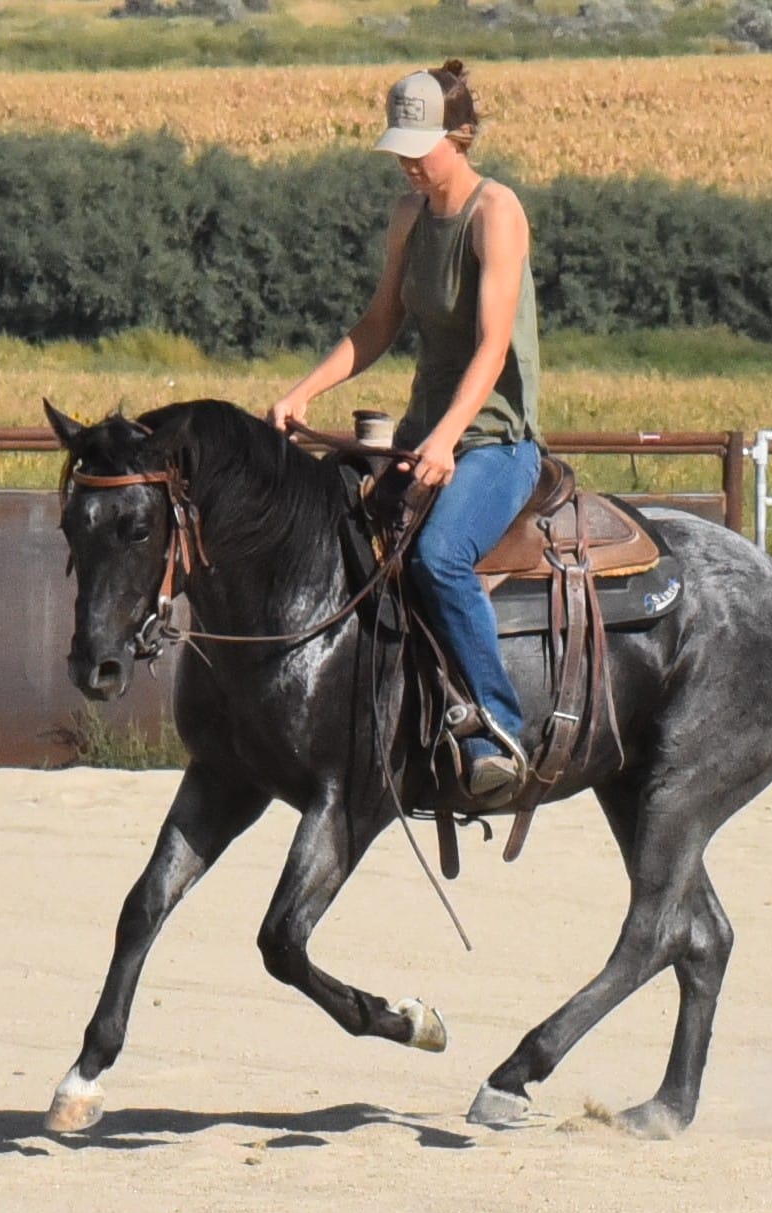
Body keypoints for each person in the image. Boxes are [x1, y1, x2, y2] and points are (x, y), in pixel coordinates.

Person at [268, 59, 543, 803]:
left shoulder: (497, 212)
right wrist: (303, 390)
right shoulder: (407, 217)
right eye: (400, 149)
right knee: (350, 542)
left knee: (442, 557)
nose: (408, 164)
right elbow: (379, 324)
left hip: (495, 440)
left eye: (418, 149)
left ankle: (498, 730)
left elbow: (491, 346)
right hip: (427, 432)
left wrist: (450, 437)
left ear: (458, 136)